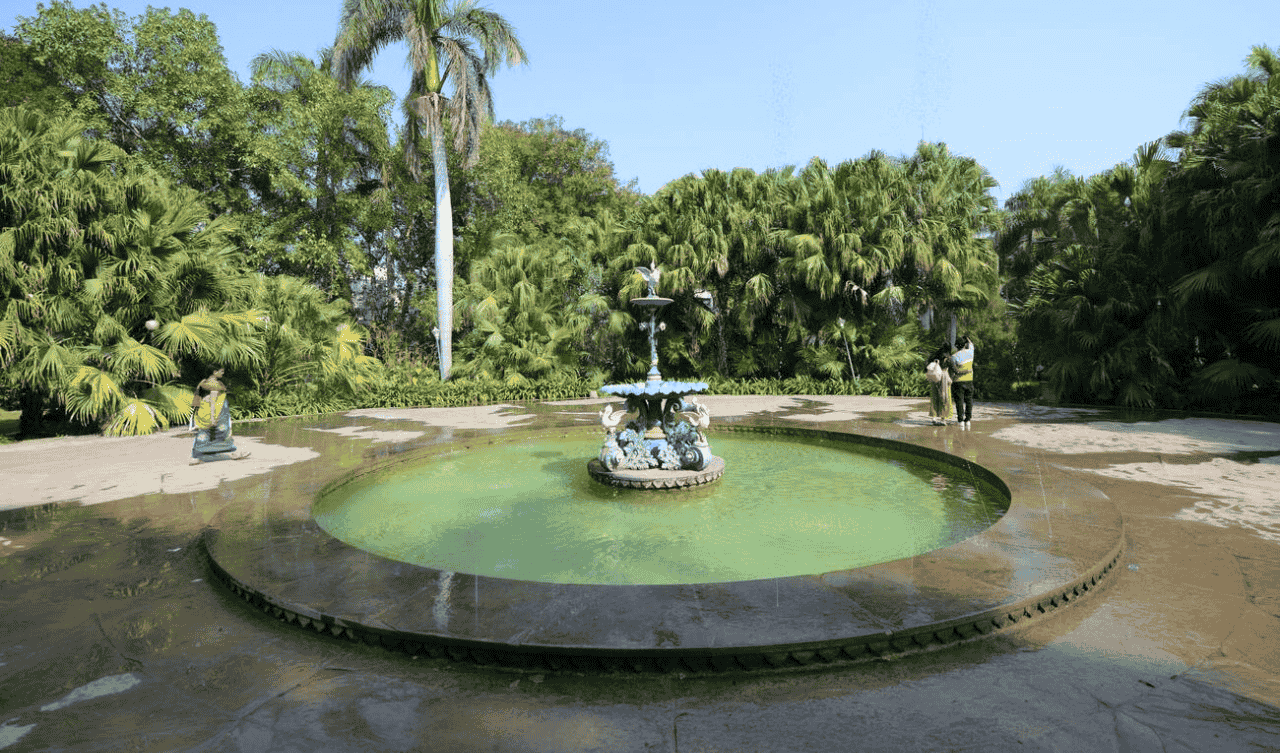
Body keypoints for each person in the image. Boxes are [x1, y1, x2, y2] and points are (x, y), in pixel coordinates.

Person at [190, 369, 242, 462]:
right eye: (221, 371)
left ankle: (196, 457)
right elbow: (213, 402)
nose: (223, 373)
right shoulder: (214, 385)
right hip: (215, 415)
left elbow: (198, 400)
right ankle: (232, 453)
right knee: (222, 433)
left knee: (203, 434)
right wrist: (213, 419)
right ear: (214, 372)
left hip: (203, 414)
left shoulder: (203, 382)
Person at [950, 335, 975, 429]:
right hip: (969, 380)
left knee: (959, 401)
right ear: (964, 344)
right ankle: (968, 420)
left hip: (958, 382)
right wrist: (966, 337)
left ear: (956, 346)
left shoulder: (954, 357)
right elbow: (971, 343)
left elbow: (955, 370)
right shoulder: (970, 352)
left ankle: (960, 421)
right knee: (969, 401)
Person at [925, 343, 954, 425]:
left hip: (934, 377)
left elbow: (927, 364)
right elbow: (951, 366)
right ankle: (943, 419)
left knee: (934, 396)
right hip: (944, 376)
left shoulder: (935, 355)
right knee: (945, 398)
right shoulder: (947, 356)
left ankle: (934, 417)